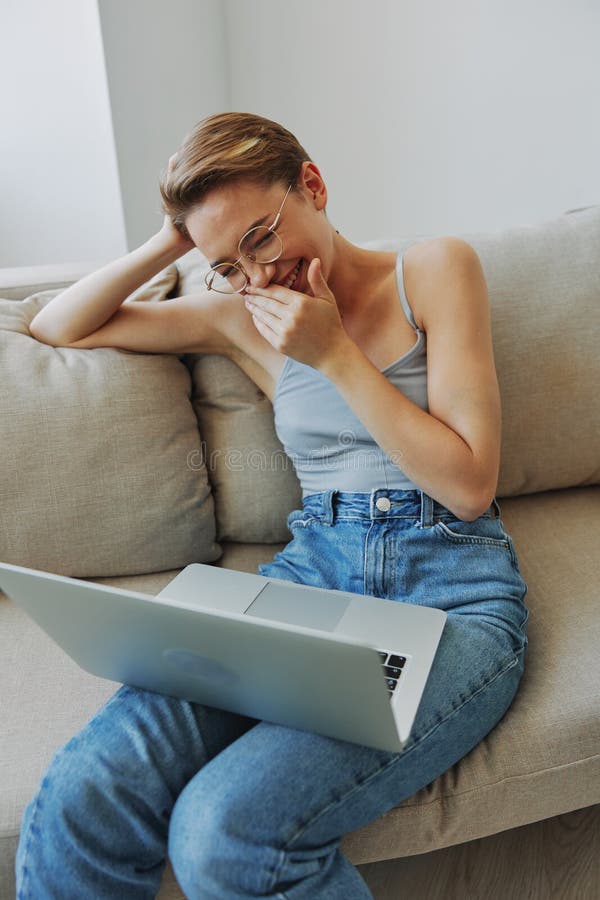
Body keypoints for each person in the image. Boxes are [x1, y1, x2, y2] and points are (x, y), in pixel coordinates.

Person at [16, 112, 529, 899]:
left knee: (223, 831)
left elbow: (466, 486)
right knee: (91, 789)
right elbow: (55, 327)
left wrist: (334, 355)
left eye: (261, 237)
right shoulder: (241, 315)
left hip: (450, 590)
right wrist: (175, 243)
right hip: (309, 576)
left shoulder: (432, 270)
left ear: (313, 186)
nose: (258, 276)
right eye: (230, 262)